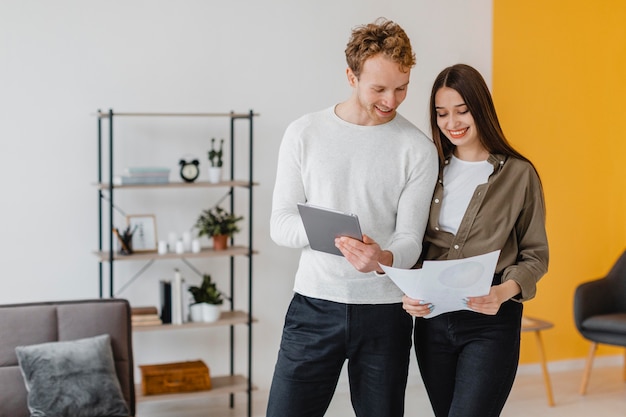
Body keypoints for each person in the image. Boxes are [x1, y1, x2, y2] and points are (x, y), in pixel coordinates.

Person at [267, 18, 438, 417]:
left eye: (402, 87)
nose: (391, 101)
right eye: (379, 88)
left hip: (385, 314)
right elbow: (280, 222)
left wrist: (383, 259)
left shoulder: (417, 148)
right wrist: (334, 237)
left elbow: (410, 239)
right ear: (351, 75)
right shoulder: (304, 133)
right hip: (313, 307)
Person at [402, 63, 549, 417]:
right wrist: (409, 291)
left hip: (490, 321)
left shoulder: (519, 174)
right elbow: (412, 244)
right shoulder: (428, 169)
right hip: (432, 322)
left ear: (481, 108)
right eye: (441, 113)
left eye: (462, 110)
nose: (452, 122)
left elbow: (536, 255)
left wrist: (502, 292)